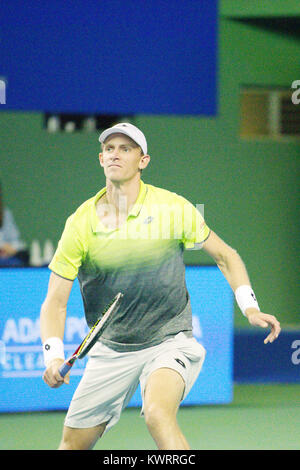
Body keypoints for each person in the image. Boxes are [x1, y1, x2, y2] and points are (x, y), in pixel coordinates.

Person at [40, 123, 281, 450]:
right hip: (111, 349)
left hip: (169, 340)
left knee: (156, 413)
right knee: (71, 445)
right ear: (100, 159)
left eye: (126, 149)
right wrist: (52, 356)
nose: (116, 154)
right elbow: (55, 301)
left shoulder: (173, 208)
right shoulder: (80, 223)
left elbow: (226, 256)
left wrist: (250, 307)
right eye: (110, 149)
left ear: (143, 161)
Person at [0, 180, 28, 267]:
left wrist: (7, 248)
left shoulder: (5, 214)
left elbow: (15, 243)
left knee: (17, 262)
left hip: (5, 260)